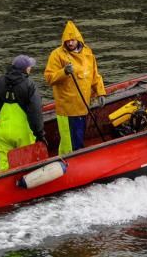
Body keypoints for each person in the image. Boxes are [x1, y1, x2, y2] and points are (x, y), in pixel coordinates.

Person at [44, 20, 106, 155]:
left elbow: (95, 75)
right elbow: (49, 77)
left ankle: (78, 156)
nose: (70, 43)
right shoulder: (57, 55)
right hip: (67, 109)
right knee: (69, 142)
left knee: (78, 136)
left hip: (83, 106)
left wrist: (100, 92)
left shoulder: (88, 53)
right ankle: (67, 161)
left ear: (78, 39)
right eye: (67, 40)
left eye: (73, 40)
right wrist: (63, 72)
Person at [0, 55, 46, 171]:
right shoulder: (29, 85)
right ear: (25, 69)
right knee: (26, 164)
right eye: (29, 67)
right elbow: (35, 112)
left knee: (4, 165)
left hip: (3, 132)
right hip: (23, 133)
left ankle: (4, 183)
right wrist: (40, 134)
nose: (31, 69)